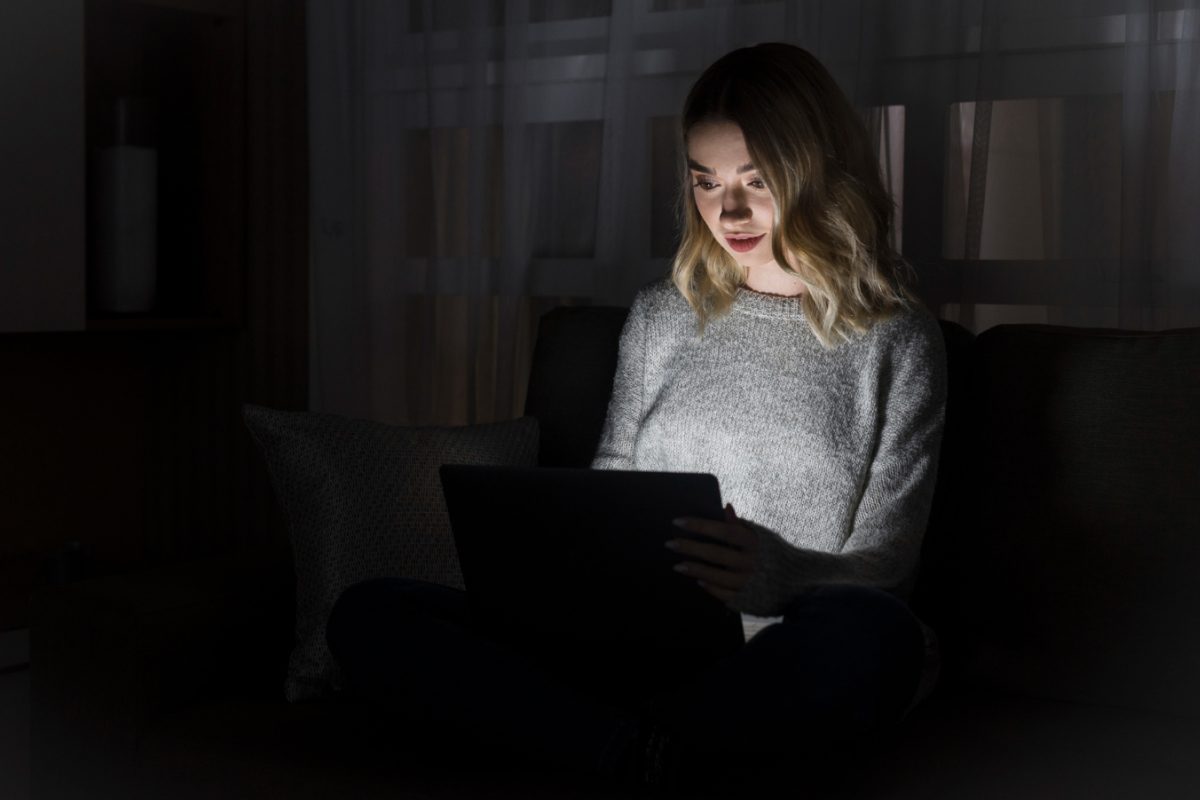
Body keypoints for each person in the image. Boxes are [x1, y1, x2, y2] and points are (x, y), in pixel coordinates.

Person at [326, 42, 946, 795]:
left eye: (757, 181)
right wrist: (576, 592)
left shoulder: (896, 337)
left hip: (782, 649)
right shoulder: (660, 318)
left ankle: (599, 741)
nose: (732, 212)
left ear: (816, 171)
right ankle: (645, 753)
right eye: (706, 183)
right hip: (635, 645)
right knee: (371, 612)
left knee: (873, 637)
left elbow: (889, 564)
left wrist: (780, 576)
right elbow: (610, 487)